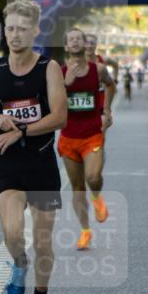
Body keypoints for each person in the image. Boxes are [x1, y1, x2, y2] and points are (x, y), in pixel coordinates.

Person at [0, 0, 66, 294]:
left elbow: (59, 117)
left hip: (40, 163)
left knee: (43, 242)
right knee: (13, 232)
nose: (14, 35)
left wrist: (21, 131)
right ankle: (18, 263)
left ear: (35, 30)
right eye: (10, 28)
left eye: (22, 29)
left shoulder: (48, 68)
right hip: (7, 164)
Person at [58, 29, 113, 251]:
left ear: (84, 44)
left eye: (78, 38)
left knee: (93, 177)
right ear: (66, 47)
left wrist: (106, 109)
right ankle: (85, 231)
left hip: (92, 134)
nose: (75, 41)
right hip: (68, 137)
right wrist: (65, 84)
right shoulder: (59, 73)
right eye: (70, 39)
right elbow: (48, 101)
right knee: (77, 187)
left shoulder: (97, 69)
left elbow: (110, 84)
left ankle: (98, 197)